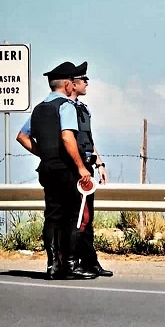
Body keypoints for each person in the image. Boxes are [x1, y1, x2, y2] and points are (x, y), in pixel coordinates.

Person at [16, 61, 97, 280]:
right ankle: (70, 265)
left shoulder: (40, 108)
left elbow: (22, 136)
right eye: (72, 82)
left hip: (47, 168)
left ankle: (53, 265)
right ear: (67, 85)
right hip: (66, 169)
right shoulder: (66, 106)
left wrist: (43, 153)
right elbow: (67, 136)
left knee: (52, 216)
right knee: (73, 216)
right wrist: (81, 167)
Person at [68, 63, 113, 277]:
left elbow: (88, 140)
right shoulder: (66, 109)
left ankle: (89, 261)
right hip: (75, 169)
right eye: (83, 79)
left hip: (87, 166)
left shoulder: (82, 109)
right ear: (73, 84)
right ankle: (76, 261)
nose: (87, 83)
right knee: (79, 218)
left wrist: (99, 163)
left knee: (88, 217)